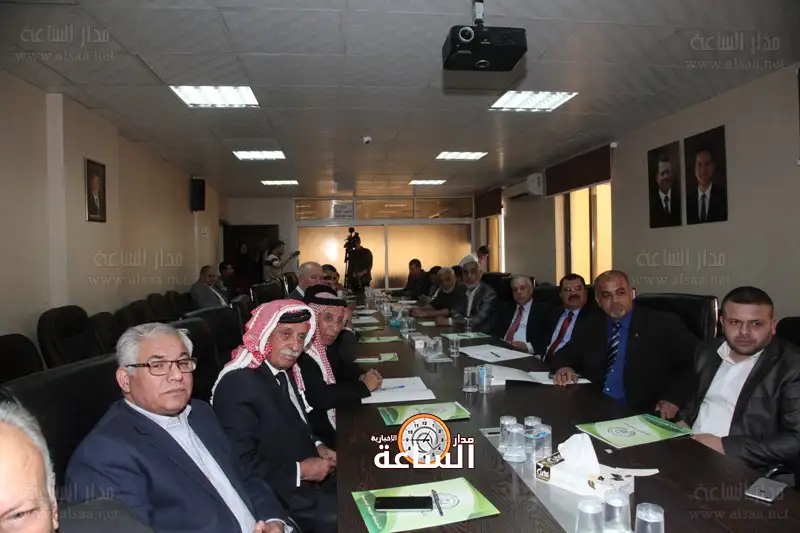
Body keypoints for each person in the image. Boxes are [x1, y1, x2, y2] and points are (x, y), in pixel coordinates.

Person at [65, 323, 290, 533]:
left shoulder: (201, 413)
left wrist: (273, 520)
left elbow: (244, 476)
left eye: (183, 363)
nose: (177, 376)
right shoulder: (104, 454)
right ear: (125, 380)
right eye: (157, 366)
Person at [211, 301, 338, 533]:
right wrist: (301, 471)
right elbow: (240, 466)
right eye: (286, 335)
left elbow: (296, 422)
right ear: (264, 334)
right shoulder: (238, 383)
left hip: (306, 479)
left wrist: (318, 445)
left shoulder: (281, 369)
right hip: (277, 498)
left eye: (301, 337)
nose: (296, 346)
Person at [677, 287, 800, 472]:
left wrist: (725, 446)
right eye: (735, 322)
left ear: (772, 326)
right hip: (687, 448)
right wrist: (683, 422)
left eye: (756, 324)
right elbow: (694, 401)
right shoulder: (707, 351)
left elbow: (795, 439)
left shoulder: (792, 366)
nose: (744, 332)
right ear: (722, 323)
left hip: (741, 465)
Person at [550, 270, 699, 418]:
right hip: (594, 407)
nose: (615, 301)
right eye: (606, 295)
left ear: (631, 294)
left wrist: (673, 398)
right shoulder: (593, 325)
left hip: (639, 412)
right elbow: (564, 354)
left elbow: (695, 361)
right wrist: (564, 367)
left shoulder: (661, 324)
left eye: (620, 293)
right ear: (598, 301)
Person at [295, 286, 382, 448]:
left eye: (340, 321)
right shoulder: (301, 352)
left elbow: (342, 368)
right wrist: (363, 386)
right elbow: (319, 398)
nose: (335, 328)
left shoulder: (325, 346)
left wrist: (361, 375)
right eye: (328, 318)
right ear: (313, 318)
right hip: (315, 436)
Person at [435, 254, 497, 333]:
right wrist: (461, 319)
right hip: (462, 331)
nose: (469, 276)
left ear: (480, 273)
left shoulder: (488, 293)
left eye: (473, 272)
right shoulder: (463, 290)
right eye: (465, 272)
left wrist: (450, 321)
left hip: (481, 334)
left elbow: (478, 319)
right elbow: (454, 311)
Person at [538, 274, 595, 359]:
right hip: (542, 362)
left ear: (585, 292)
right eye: (567, 290)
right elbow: (543, 341)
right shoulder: (553, 313)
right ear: (560, 295)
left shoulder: (594, 317)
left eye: (578, 288)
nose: (573, 293)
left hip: (569, 365)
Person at [494, 276, 547, 354]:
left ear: (531, 290)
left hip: (527, 354)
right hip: (501, 351)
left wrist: (527, 347)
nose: (518, 292)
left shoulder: (544, 311)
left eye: (522, 288)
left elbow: (546, 340)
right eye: (515, 289)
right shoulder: (506, 308)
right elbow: (495, 332)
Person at [686, 146, 727, 224]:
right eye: (699, 165)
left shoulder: (723, 196)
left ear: (713, 167)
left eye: (707, 164)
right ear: (694, 169)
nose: (703, 170)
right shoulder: (687, 201)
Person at [649, 153, 681, 228]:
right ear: (656, 178)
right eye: (662, 173)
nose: (666, 176)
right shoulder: (651, 205)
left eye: (668, 172)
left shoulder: (680, 199)